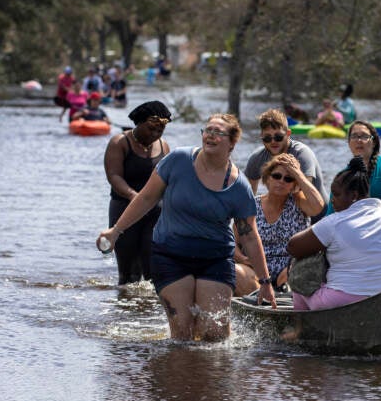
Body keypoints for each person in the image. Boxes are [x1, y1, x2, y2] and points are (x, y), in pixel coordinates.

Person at [97, 113, 276, 341]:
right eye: (207, 130)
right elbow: (146, 198)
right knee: (183, 334)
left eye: (218, 132)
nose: (210, 136)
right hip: (171, 255)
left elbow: (249, 235)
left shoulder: (239, 186)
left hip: (215, 258)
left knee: (215, 337)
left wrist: (265, 282)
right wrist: (115, 231)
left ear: (232, 142)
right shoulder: (178, 160)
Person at [286, 157, 381, 320]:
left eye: (336, 194)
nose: (332, 201)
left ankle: (299, 328)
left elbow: (293, 246)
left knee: (298, 270)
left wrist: (323, 246)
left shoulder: (333, 222)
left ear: (354, 195)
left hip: (339, 302)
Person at [233, 154, 324, 294]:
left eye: (288, 179)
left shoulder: (299, 203)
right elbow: (233, 243)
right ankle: (261, 299)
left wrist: (298, 174)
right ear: (267, 178)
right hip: (255, 270)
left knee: (301, 272)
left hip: (289, 269)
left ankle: (282, 298)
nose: (281, 181)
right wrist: (242, 258)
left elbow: (318, 206)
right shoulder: (251, 205)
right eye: (276, 176)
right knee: (235, 272)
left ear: (294, 185)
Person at [103, 101, 171, 285]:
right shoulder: (120, 142)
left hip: (156, 214)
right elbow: (114, 176)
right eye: (150, 129)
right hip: (124, 210)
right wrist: (136, 197)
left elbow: (168, 181)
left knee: (153, 272)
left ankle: (150, 311)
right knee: (129, 277)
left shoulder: (164, 146)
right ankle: (126, 311)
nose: (155, 135)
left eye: (160, 131)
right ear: (139, 123)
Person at [244, 109, 328, 217]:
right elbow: (248, 196)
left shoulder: (302, 154)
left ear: (288, 134)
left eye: (278, 137)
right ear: (262, 137)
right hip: (285, 217)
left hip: (319, 215)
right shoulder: (257, 158)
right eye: (267, 138)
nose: (273, 141)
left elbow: (304, 193)